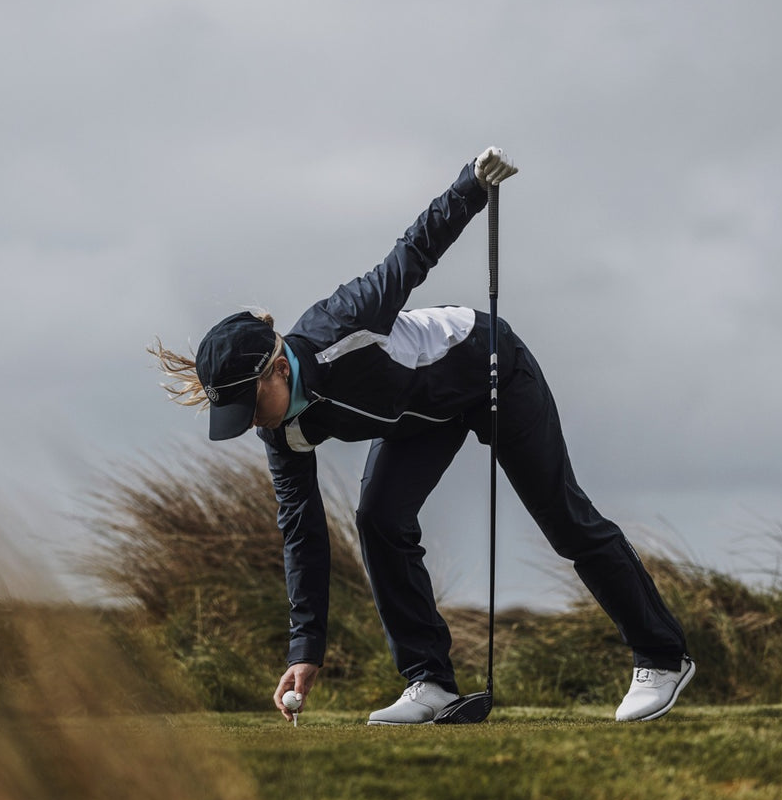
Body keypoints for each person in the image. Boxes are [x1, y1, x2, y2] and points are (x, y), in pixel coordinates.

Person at [151, 147, 692, 725]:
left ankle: (662, 655)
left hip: (489, 369)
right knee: (378, 519)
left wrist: (472, 184)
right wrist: (305, 649)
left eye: (250, 405)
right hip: (418, 418)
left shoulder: (344, 321)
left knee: (562, 516)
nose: (251, 424)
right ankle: (430, 681)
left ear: (276, 368)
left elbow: (413, 251)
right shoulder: (284, 431)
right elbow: (302, 533)